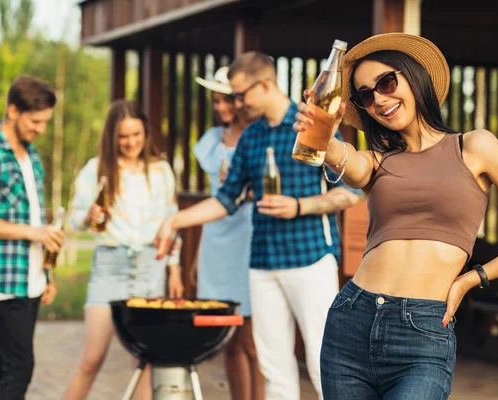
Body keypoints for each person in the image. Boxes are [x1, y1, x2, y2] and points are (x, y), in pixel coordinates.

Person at [293, 32, 498, 399]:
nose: (379, 99)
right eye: (365, 95)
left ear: (414, 76)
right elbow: (350, 162)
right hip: (351, 320)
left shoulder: (475, 146)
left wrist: (471, 280)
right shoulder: (379, 160)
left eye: (387, 82)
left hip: (423, 329)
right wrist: (325, 141)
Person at [154, 52, 361, 400]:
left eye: (240, 94)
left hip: (311, 261)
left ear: (264, 84)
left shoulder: (313, 121)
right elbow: (224, 200)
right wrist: (175, 220)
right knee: (275, 371)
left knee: (323, 364)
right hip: (262, 267)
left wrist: (299, 206)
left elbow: (349, 194)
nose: (236, 103)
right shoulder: (250, 139)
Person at [63, 100, 183, 400]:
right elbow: (75, 219)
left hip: (149, 265)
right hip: (110, 266)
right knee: (92, 358)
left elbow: (172, 222)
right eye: (123, 136)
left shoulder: (160, 170)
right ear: (112, 136)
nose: (130, 143)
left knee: (142, 362)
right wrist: (88, 217)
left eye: (136, 135)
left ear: (146, 133)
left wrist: (175, 268)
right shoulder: (96, 169)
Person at [0, 75, 62, 400]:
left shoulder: (30, 154)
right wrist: (32, 233)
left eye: (44, 122)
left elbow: (35, 217)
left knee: (13, 365)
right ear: (13, 111)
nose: (40, 129)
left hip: (32, 276)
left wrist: (47, 273)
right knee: (19, 366)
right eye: (36, 121)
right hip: (4, 277)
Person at [191, 66, 265, 400]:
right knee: (229, 339)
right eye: (216, 101)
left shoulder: (259, 137)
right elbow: (212, 200)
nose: (221, 107)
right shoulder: (210, 141)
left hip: (250, 240)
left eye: (226, 100)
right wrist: (197, 256)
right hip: (216, 244)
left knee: (253, 341)